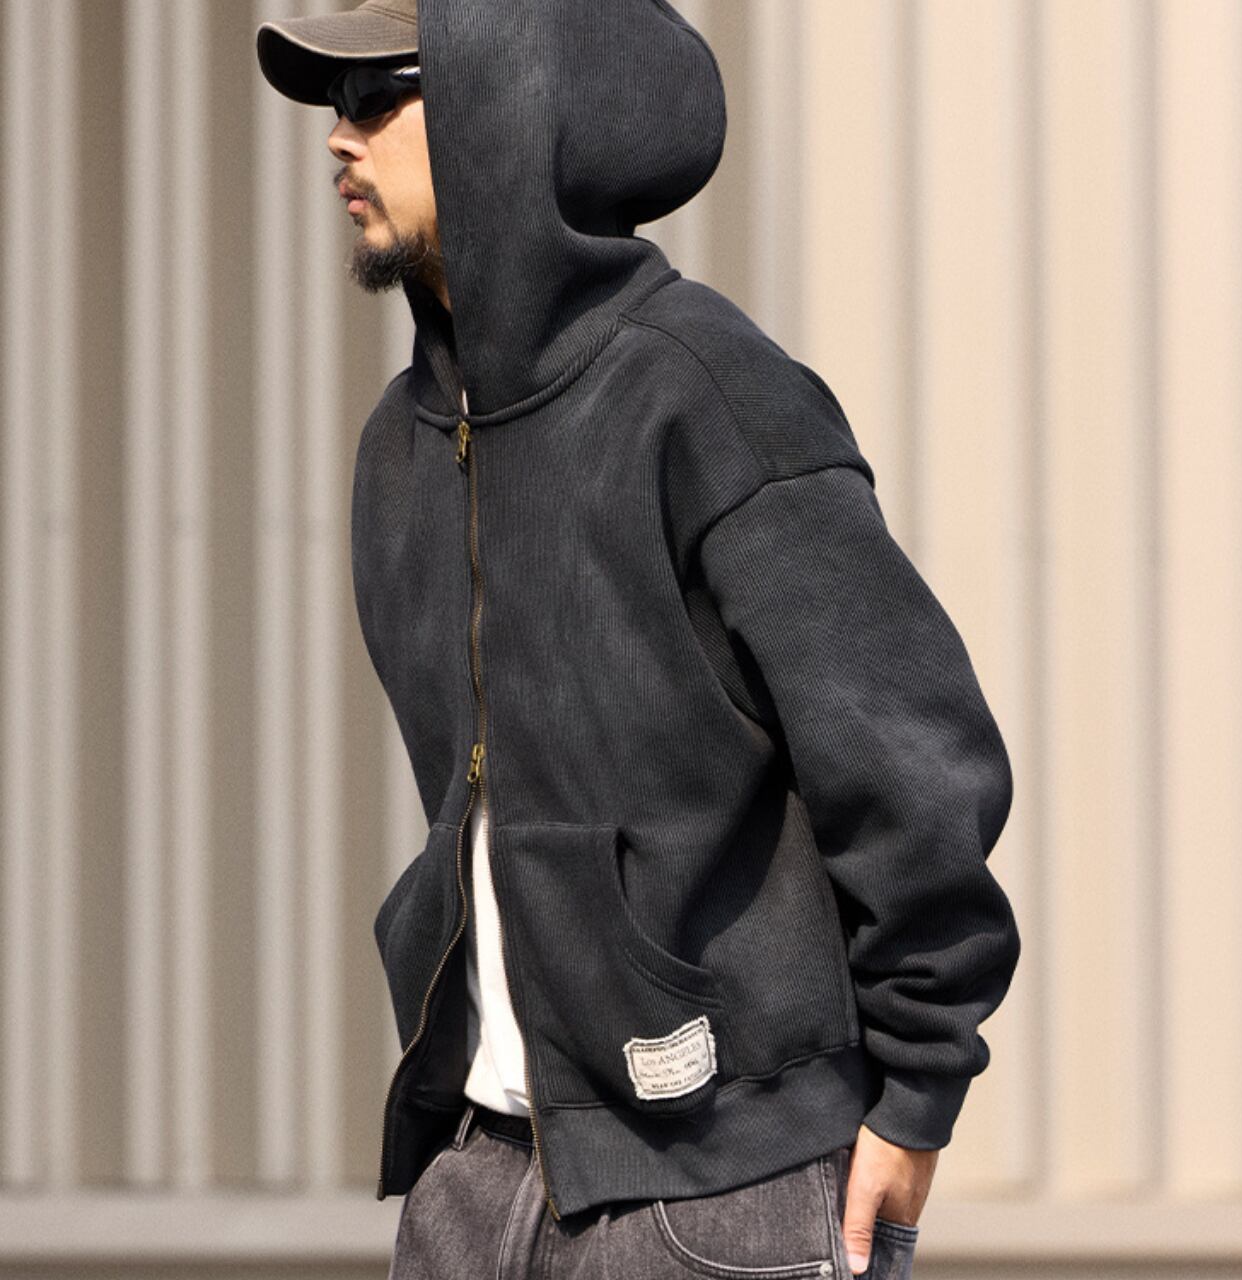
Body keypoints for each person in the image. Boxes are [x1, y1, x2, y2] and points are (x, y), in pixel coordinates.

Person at [255, 2, 1021, 1277]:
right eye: (335, 105)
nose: (340, 137)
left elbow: (910, 756)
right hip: (475, 1176)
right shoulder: (404, 444)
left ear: (516, 107)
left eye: (381, 94)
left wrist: (917, 1086)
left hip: (721, 1185)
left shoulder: (702, 391)